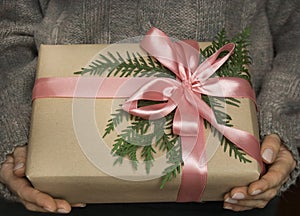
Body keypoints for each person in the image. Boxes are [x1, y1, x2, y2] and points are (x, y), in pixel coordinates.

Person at [0, 0, 299, 215]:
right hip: (54, 164)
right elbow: (10, 28)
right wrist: (12, 124)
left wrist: (281, 120)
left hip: (234, 180)